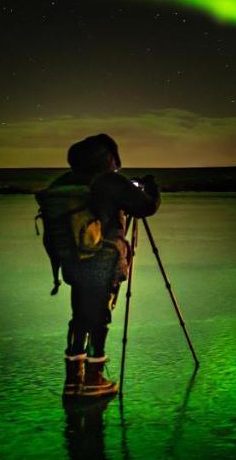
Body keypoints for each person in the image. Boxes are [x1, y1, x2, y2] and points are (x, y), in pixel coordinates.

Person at [40, 134, 160, 398]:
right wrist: (151, 188)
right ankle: (94, 379)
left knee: (80, 315)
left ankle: (74, 379)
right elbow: (146, 207)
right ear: (108, 157)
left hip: (71, 260)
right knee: (100, 317)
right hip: (102, 259)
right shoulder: (107, 180)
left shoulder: (65, 181)